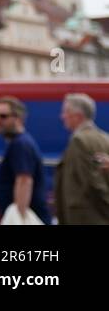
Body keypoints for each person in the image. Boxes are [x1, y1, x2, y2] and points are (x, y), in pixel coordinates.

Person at [0, 95, 51, 225]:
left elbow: (24, 180)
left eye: (3, 116)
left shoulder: (20, 144)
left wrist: (19, 217)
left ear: (18, 118)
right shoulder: (18, 142)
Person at [53, 93, 109, 224]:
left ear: (78, 115)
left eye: (66, 112)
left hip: (86, 217)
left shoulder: (79, 140)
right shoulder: (105, 137)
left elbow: (92, 182)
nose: (62, 116)